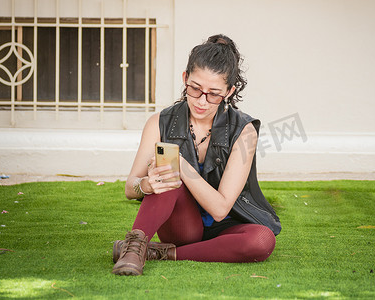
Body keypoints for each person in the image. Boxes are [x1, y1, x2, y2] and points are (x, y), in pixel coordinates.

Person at [112, 34, 281, 276]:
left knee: (262, 240)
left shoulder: (243, 130)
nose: (202, 101)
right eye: (195, 88)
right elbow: (131, 187)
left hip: (226, 226)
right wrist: (148, 184)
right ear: (185, 79)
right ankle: (134, 249)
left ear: (230, 91)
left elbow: (221, 209)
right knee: (168, 172)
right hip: (182, 226)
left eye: (214, 93)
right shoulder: (159, 122)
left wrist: (184, 167)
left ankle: (159, 252)